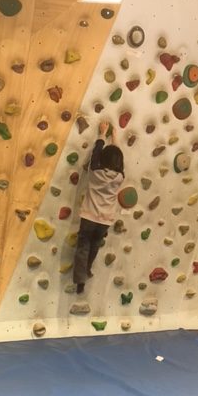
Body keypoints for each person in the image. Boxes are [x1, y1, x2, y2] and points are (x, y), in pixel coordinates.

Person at [72, 121, 124, 294]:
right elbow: (119, 158)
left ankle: (80, 280)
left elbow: (96, 152)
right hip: (105, 221)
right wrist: (115, 137)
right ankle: (87, 270)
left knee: (83, 247)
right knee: (94, 246)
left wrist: (102, 133)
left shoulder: (95, 171)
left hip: (89, 216)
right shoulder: (119, 177)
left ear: (103, 159)